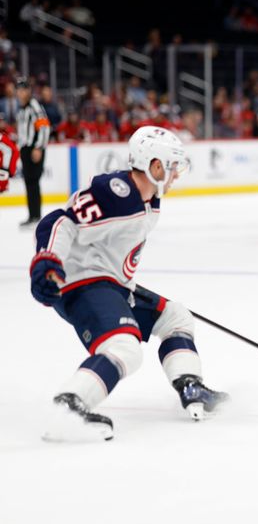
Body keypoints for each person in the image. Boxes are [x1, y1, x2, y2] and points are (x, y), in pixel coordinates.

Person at [30, 126, 228, 442]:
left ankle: (191, 387)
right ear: (155, 164)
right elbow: (60, 221)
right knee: (125, 347)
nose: (176, 173)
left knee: (176, 317)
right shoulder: (116, 193)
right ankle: (71, 404)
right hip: (82, 284)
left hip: (109, 283)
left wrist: (121, 282)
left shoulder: (149, 199)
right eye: (172, 166)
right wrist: (47, 261)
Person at [15, 76, 51, 228]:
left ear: (28, 91)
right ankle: (32, 215)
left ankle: (36, 216)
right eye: (19, 90)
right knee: (29, 182)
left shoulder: (34, 106)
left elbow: (44, 127)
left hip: (33, 148)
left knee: (33, 182)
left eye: (23, 89)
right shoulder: (22, 109)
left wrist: (38, 147)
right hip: (25, 148)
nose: (20, 93)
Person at [0, 115, 20, 193]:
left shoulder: (8, 132)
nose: (2, 123)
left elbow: (14, 150)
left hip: (4, 169)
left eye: (2, 121)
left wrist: (10, 170)